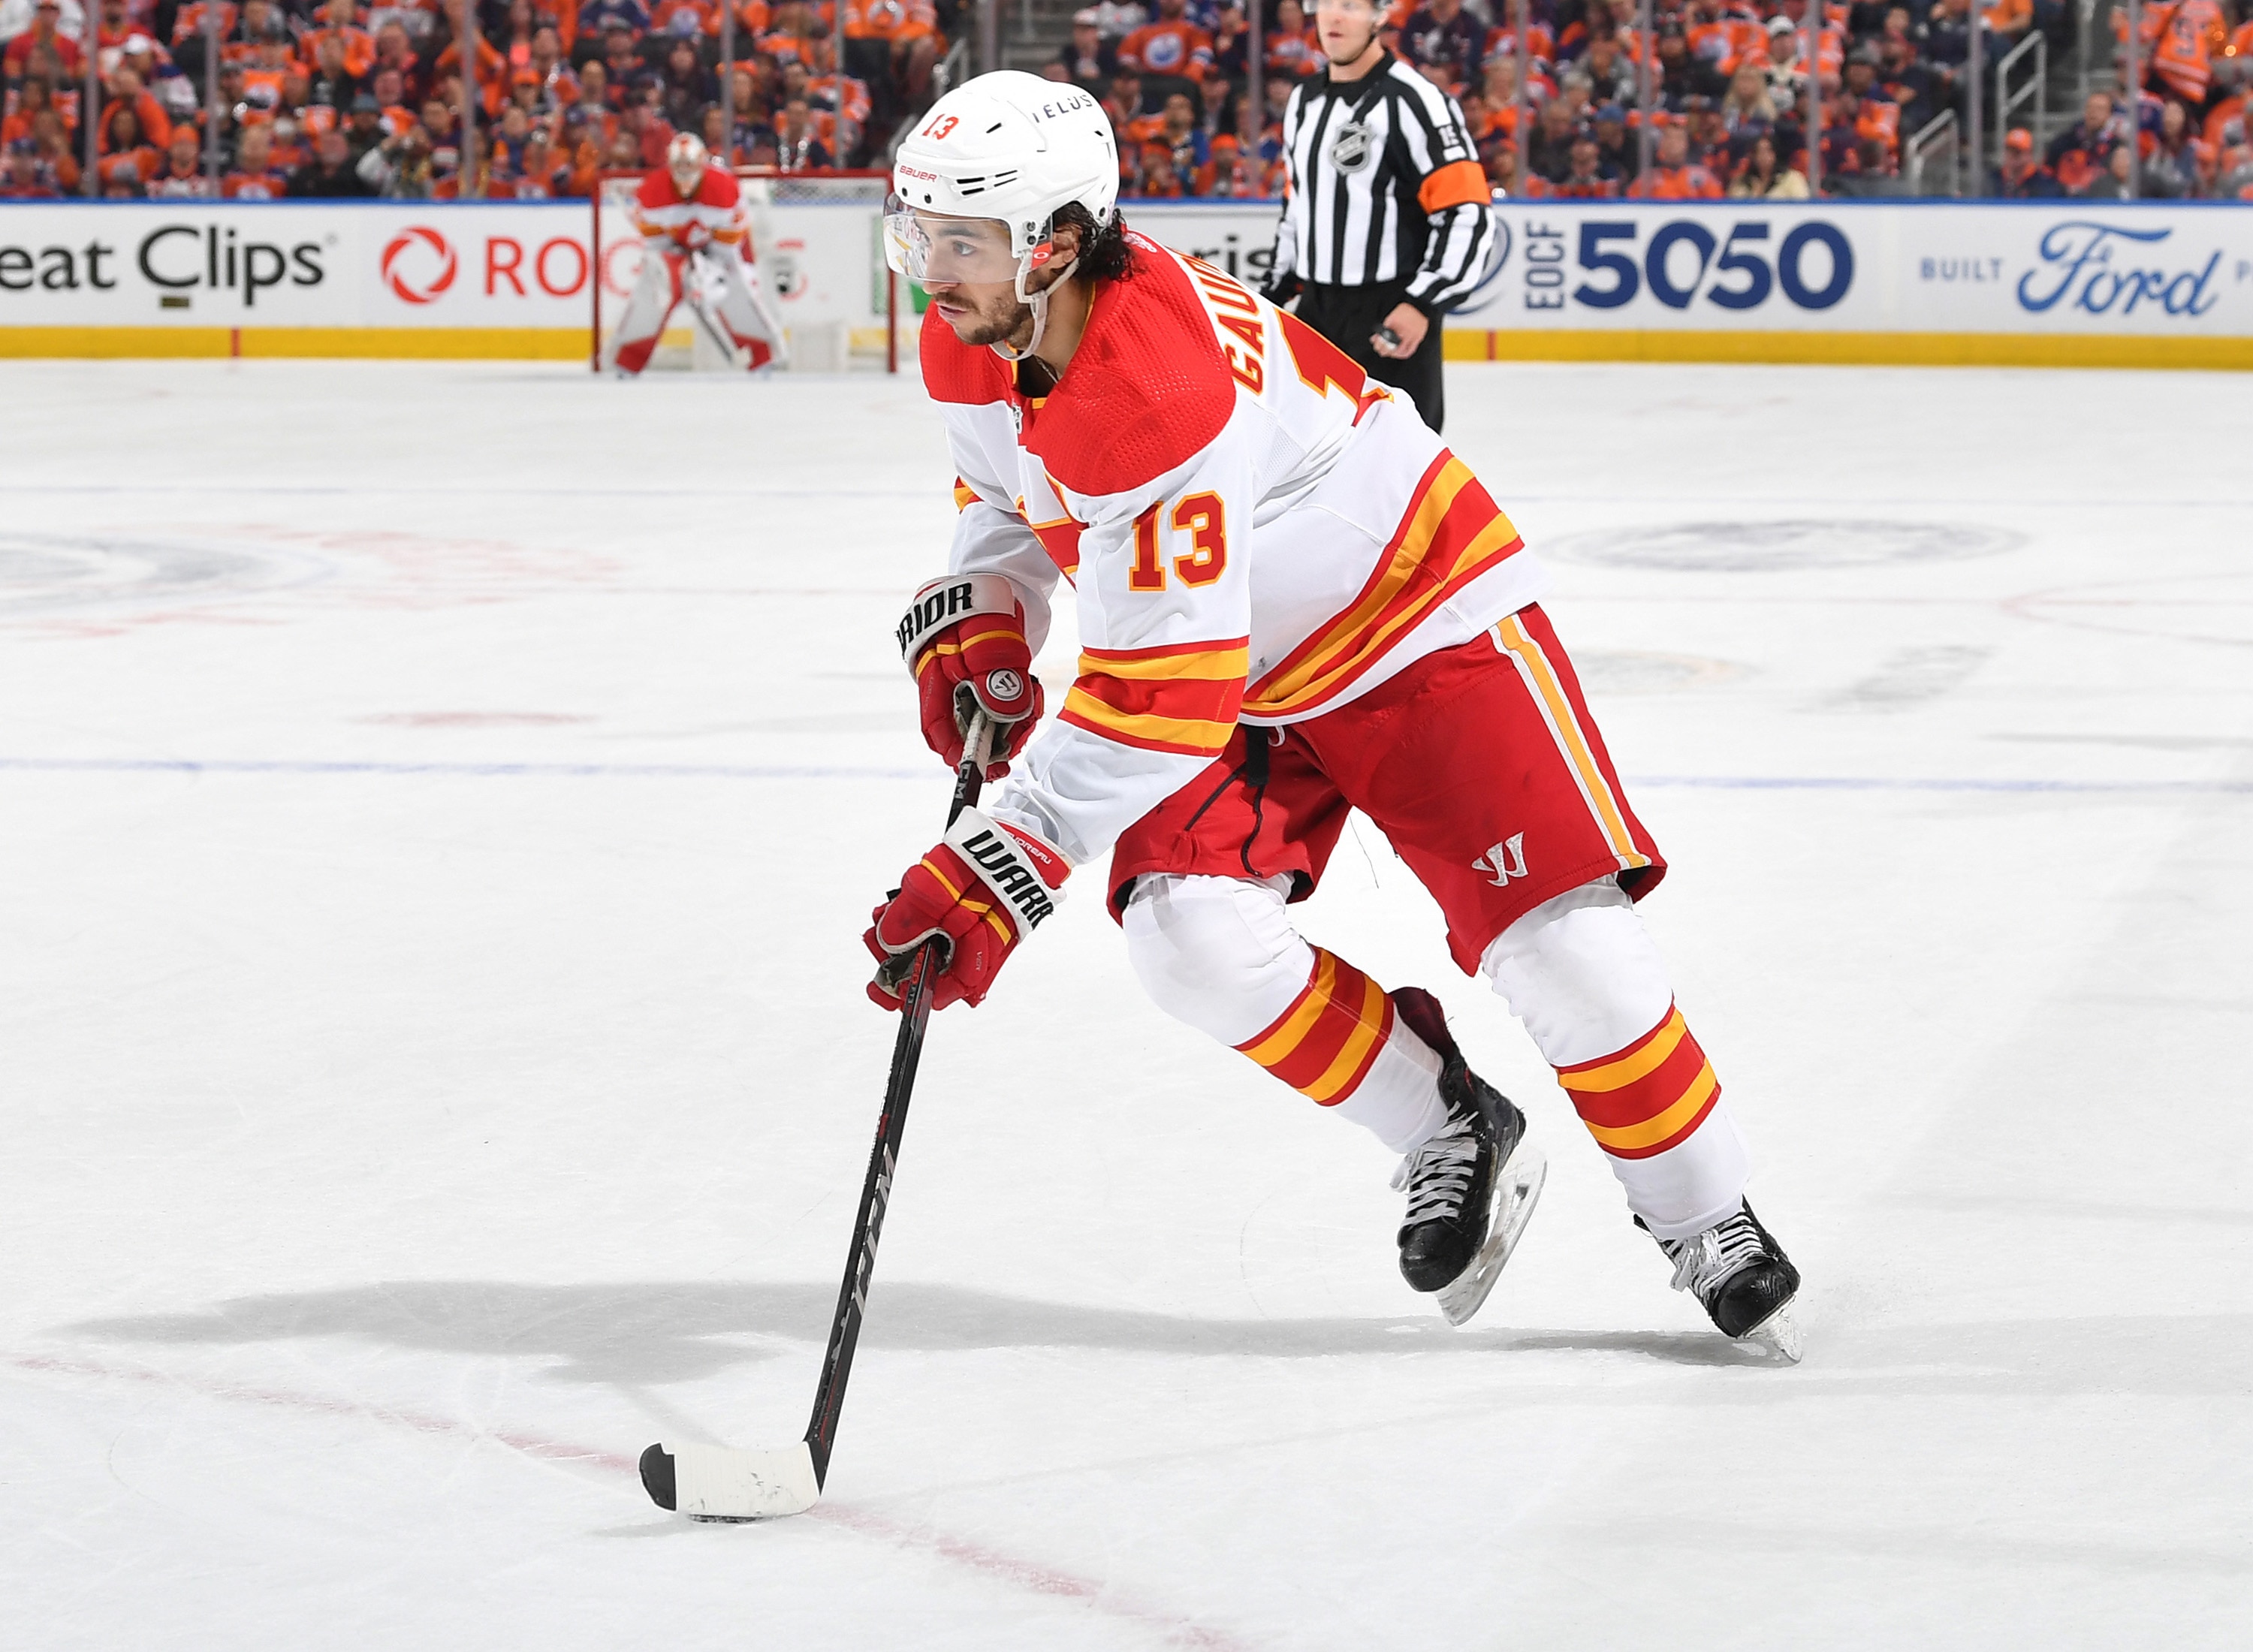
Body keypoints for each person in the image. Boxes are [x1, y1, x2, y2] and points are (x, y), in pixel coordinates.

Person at [870, 69, 1804, 1358]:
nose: (929, 269)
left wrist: (1001, 865)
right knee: (1190, 941)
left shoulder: (1153, 386)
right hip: (1237, 663)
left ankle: (1706, 1217)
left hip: (1416, 621)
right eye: (916, 232)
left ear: (1060, 245)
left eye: (958, 241)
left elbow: (1160, 695)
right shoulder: (972, 328)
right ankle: (1447, 1124)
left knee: (1565, 957)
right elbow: (1009, 497)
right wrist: (985, 601)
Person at [1260, 0, 1496, 434]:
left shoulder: (1416, 101)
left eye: (1350, 5)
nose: (1333, 16)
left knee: (1399, 473)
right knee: (1309, 467)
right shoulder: (1304, 101)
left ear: (1381, 14)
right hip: (1316, 315)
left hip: (1389, 314)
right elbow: (1298, 207)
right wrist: (1275, 294)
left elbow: (1467, 212)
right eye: (1324, 4)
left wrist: (1422, 303)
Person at [608, 131, 788, 374]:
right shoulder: (652, 191)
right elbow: (655, 243)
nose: (684, 172)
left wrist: (705, 267)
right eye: (678, 165)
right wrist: (681, 262)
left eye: (689, 165)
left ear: (702, 162)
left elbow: (731, 240)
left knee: (737, 289)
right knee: (653, 288)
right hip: (674, 249)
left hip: (720, 249)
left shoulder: (724, 189)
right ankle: (625, 360)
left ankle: (764, 357)